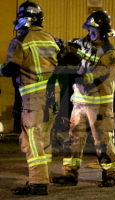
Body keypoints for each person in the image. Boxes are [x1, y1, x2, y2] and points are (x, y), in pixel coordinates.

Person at [51, 10, 115, 187]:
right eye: (89, 29)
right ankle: (69, 174)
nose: (91, 33)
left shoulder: (110, 53)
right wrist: (60, 47)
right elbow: (70, 48)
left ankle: (109, 174)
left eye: (94, 30)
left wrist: (77, 75)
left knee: (102, 140)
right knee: (74, 138)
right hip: (79, 102)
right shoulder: (82, 43)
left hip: (100, 105)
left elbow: (98, 75)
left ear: (104, 32)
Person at [0, 1, 62, 195]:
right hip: (53, 95)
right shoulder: (49, 39)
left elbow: (11, 68)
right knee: (43, 137)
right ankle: (42, 177)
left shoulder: (21, 40)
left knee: (33, 139)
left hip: (35, 96)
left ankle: (38, 183)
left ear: (22, 19)